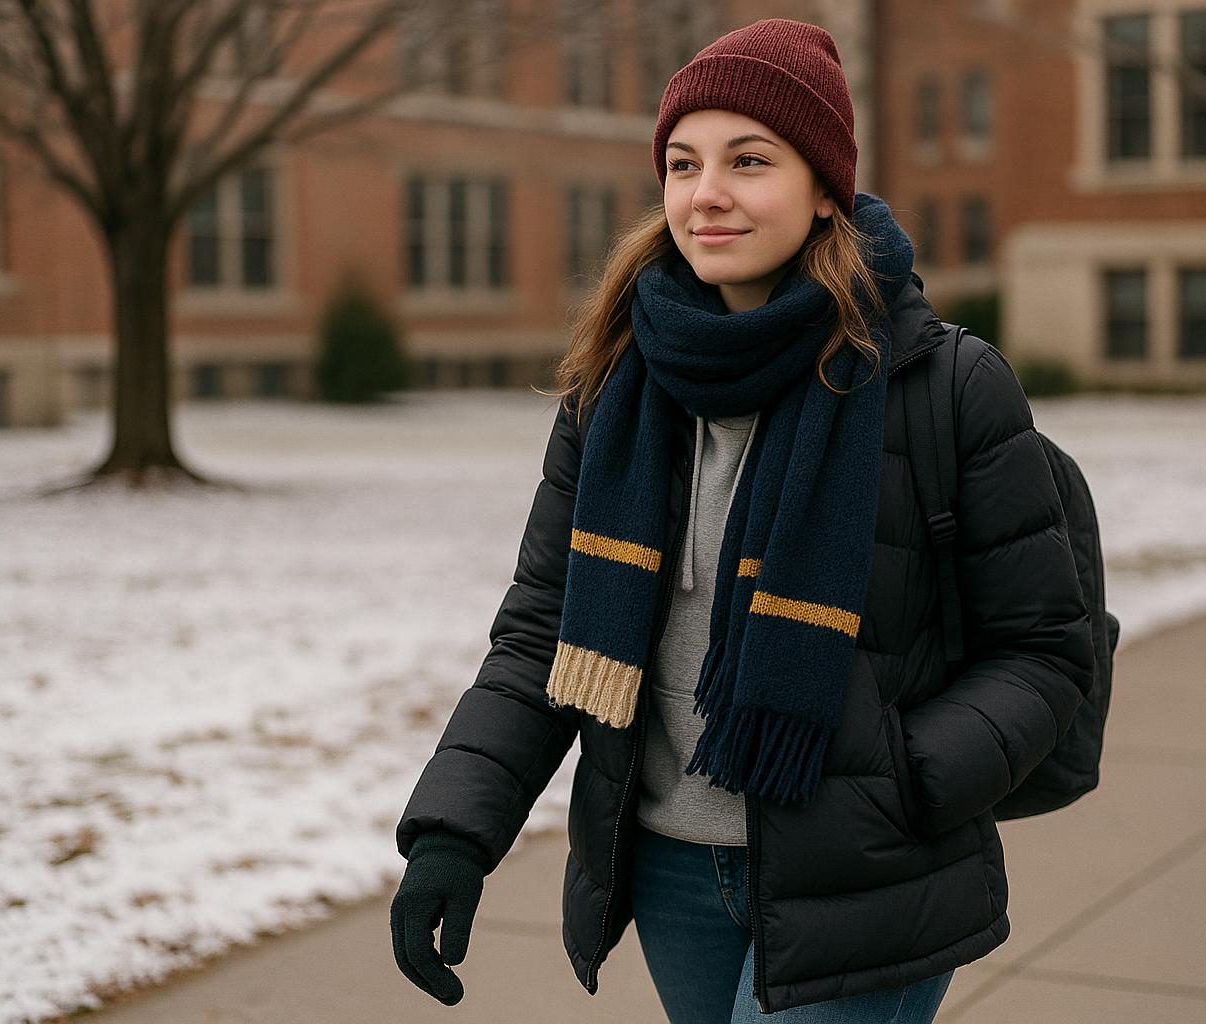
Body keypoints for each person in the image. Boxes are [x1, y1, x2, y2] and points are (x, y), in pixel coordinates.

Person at [390, 17, 1095, 1023]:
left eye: (748, 160)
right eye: (682, 163)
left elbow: (1042, 652)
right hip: (675, 871)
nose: (705, 192)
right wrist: (455, 831)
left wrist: (908, 784)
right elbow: (543, 630)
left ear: (823, 189)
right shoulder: (619, 384)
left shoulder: (942, 385)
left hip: (863, 878)